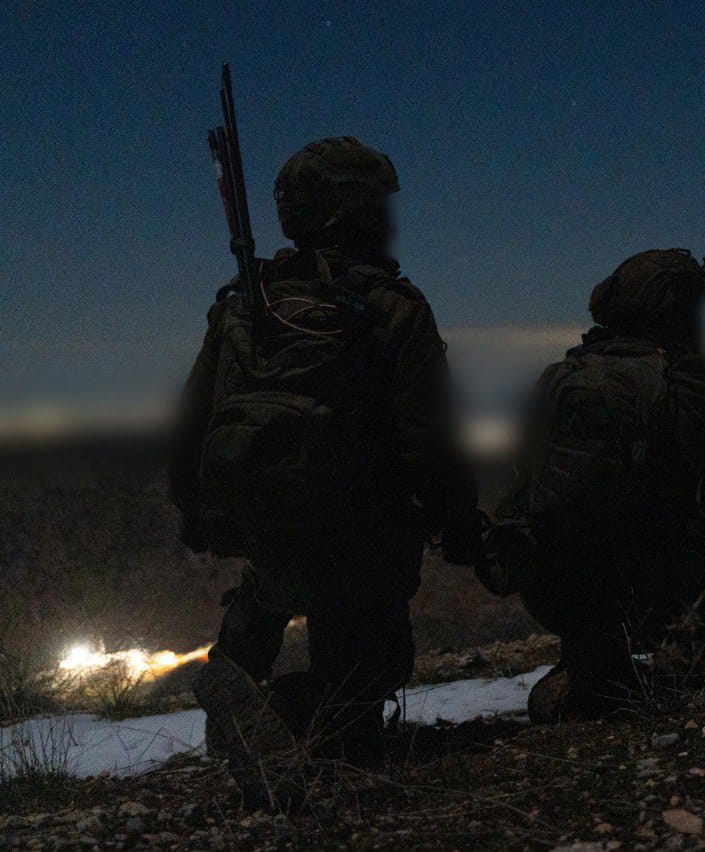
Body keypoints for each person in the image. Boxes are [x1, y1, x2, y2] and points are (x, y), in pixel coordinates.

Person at [169, 137, 481, 795]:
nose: (390, 222)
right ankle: (286, 717)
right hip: (360, 536)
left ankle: (238, 678)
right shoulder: (393, 307)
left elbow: (192, 422)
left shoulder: (244, 305)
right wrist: (455, 522)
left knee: (278, 579)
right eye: (378, 207)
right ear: (353, 214)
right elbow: (430, 442)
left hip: (262, 527)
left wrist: (193, 511)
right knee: (367, 689)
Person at [478, 246, 705, 722]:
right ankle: (660, 666)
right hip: (656, 596)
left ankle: (592, 663)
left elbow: (525, 490)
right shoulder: (698, 384)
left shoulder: (561, 377)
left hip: (556, 594)